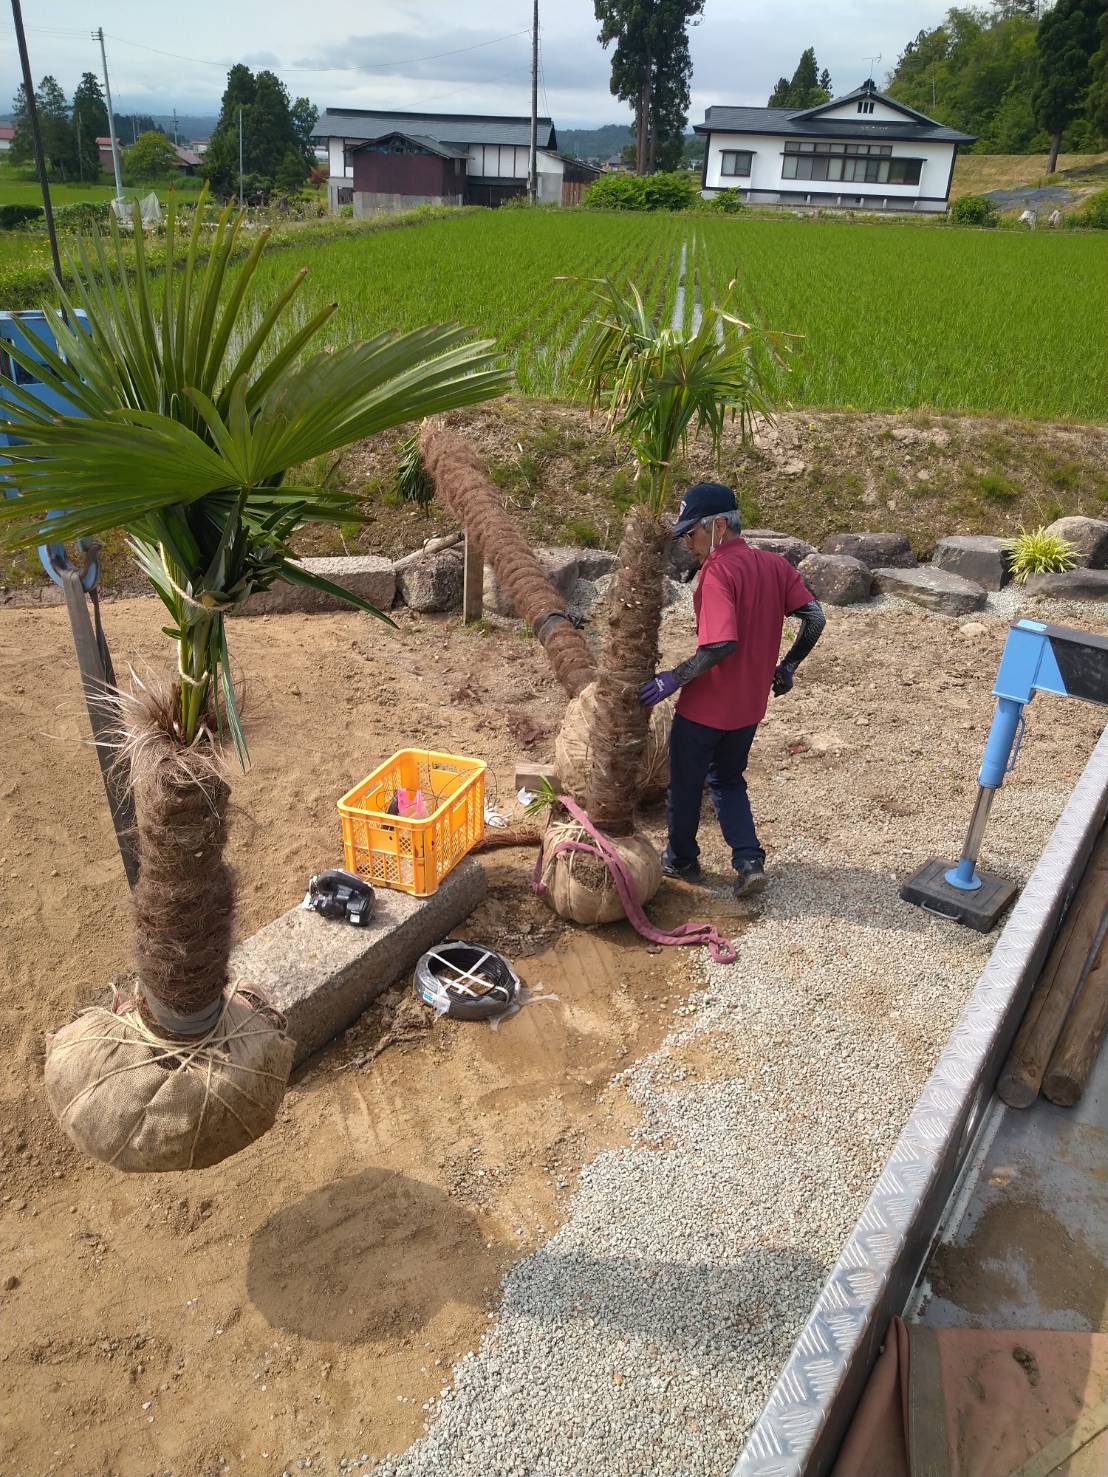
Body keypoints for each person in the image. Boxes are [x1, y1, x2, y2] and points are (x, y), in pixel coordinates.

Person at [639, 482, 825, 897]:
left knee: (685, 785)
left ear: (718, 526)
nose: (688, 543)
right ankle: (748, 861)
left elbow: (721, 644)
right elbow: (815, 618)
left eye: (692, 533)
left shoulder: (717, 572)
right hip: (749, 707)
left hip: (705, 709)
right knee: (727, 779)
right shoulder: (774, 565)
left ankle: (682, 860)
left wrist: (673, 678)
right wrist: (788, 666)